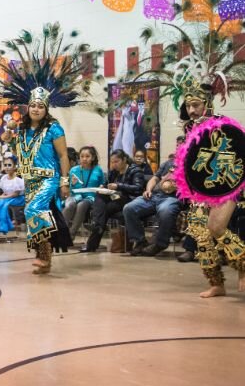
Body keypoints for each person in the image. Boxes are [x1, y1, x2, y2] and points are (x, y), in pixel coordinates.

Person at [132, 24, 245, 297]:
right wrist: (173, 180)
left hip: (224, 187)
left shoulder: (223, 125)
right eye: (188, 105)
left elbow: (235, 157)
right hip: (199, 191)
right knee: (198, 232)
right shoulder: (188, 130)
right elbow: (187, 162)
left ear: (207, 103)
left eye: (196, 104)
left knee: (217, 227)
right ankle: (216, 282)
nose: (192, 109)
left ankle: (243, 264)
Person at [0, 23, 97, 274]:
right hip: (30, 180)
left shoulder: (54, 128)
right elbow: (12, 142)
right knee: (36, 217)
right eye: (33, 106)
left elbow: (64, 155)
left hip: (49, 178)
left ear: (46, 108)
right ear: (28, 106)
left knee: (33, 210)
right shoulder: (22, 130)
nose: (36, 110)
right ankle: (45, 256)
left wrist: (64, 182)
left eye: (41, 107)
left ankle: (44, 257)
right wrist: (9, 131)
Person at [80, 149, 144, 252]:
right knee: (100, 196)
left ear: (124, 160)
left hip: (131, 200)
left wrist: (119, 186)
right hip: (116, 199)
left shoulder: (135, 170)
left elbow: (138, 188)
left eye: (116, 162)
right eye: (112, 162)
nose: (114, 164)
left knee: (104, 210)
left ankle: (96, 230)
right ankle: (98, 226)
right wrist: (103, 186)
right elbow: (107, 183)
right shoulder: (114, 171)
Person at [124, 155, 181, 256]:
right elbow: (154, 179)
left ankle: (160, 243)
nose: (179, 147)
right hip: (154, 195)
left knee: (165, 211)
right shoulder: (168, 163)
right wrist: (148, 190)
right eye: (177, 145)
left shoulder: (191, 165)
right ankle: (140, 241)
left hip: (172, 197)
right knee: (129, 208)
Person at [62, 146, 106, 240]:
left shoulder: (98, 170)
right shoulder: (74, 170)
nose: (84, 159)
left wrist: (102, 186)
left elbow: (103, 183)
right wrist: (69, 186)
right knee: (70, 205)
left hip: (90, 197)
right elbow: (67, 186)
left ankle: (71, 234)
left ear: (93, 157)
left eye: (87, 156)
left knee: (82, 205)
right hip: (75, 195)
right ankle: (61, 231)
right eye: (82, 156)